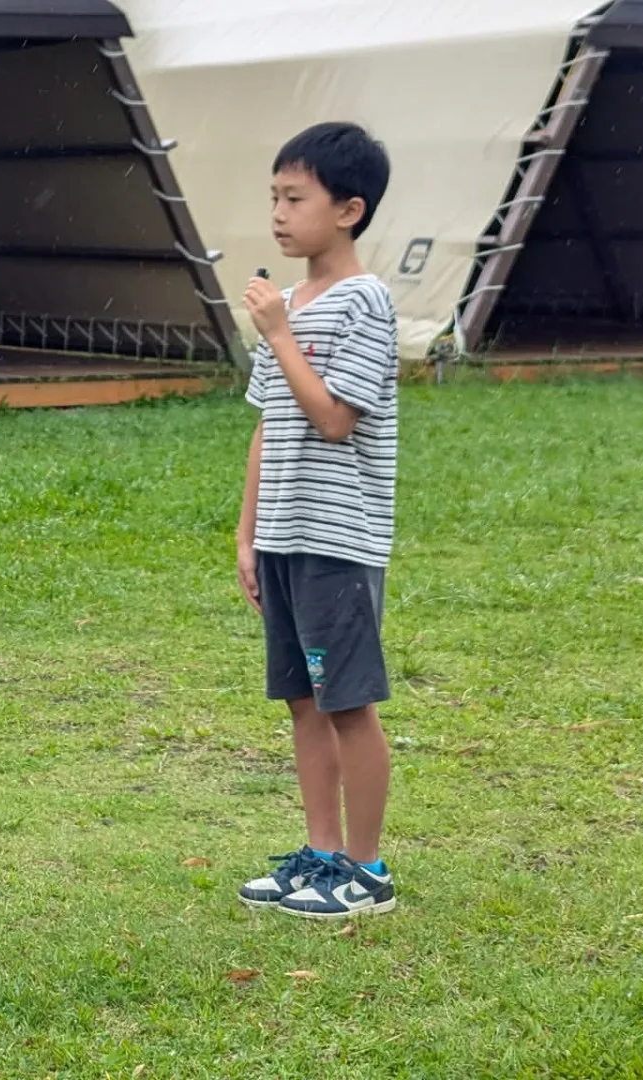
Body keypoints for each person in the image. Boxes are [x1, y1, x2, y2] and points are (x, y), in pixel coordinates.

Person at [233, 122, 401, 920]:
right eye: (273, 196)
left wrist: (277, 332)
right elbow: (269, 423)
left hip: (339, 539)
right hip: (284, 539)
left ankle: (367, 870)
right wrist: (246, 536)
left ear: (349, 209)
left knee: (347, 703)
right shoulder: (290, 301)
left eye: (294, 198)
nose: (277, 213)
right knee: (304, 702)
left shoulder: (366, 303)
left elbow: (335, 419)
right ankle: (320, 854)